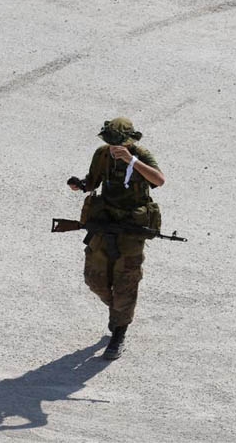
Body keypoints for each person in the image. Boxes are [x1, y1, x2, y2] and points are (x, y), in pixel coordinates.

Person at [68, 117, 165, 360]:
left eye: (118, 143)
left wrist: (132, 161)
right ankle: (118, 311)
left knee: (126, 282)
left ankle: (119, 331)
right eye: (110, 142)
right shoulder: (102, 154)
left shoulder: (140, 155)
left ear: (129, 141)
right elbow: (93, 182)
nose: (114, 147)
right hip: (105, 223)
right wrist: (80, 185)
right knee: (94, 279)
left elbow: (159, 180)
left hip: (131, 228)